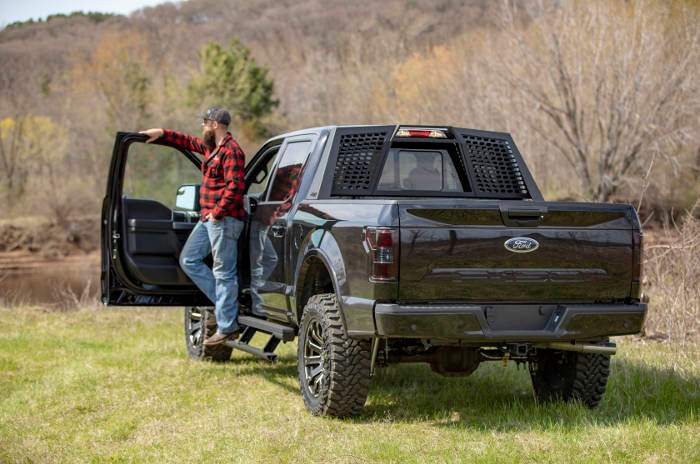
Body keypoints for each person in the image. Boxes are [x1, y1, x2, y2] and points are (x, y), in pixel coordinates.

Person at [140, 107, 246, 347]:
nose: (203, 126)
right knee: (189, 259)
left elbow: (235, 187)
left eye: (205, 122)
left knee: (223, 272)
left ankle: (228, 326)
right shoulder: (211, 148)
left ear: (216, 125)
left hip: (224, 220)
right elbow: (187, 141)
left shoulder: (232, 151)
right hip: (209, 219)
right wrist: (162, 133)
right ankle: (226, 306)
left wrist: (217, 213)